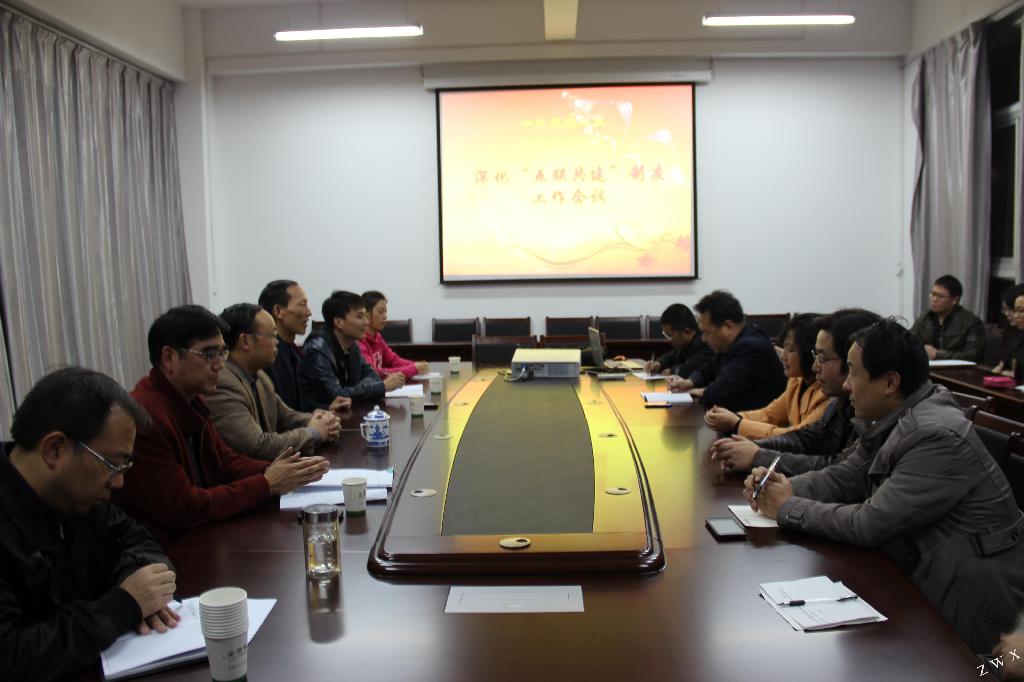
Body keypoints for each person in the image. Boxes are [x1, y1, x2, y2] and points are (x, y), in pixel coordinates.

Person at [744, 318, 1024, 652]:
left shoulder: (935, 434)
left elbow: (870, 522)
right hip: (923, 578)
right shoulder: (896, 417)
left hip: (973, 617)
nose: (846, 385)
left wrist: (787, 506)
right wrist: (782, 485)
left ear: (890, 382)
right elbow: (845, 475)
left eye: (853, 373)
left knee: (983, 671)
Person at [0, 368, 179, 680]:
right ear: (55, 449)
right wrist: (122, 606)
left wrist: (139, 578)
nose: (119, 483)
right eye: (112, 465)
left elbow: (135, 538)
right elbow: (11, 657)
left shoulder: (79, 500)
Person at [113, 305, 329, 542]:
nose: (219, 364)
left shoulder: (192, 400)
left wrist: (285, 471)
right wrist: (266, 483)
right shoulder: (145, 415)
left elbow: (226, 462)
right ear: (169, 357)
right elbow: (183, 507)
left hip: (200, 537)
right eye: (208, 354)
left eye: (222, 353)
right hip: (165, 550)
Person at [710, 308, 880, 475]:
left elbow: (840, 470)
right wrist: (752, 447)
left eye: (822, 358)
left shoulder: (866, 413)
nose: (815, 367)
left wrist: (756, 454)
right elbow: (805, 437)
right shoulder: (837, 401)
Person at [207, 303, 346, 461]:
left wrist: (323, 421)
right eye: (272, 335)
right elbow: (257, 446)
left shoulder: (259, 375)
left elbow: (285, 417)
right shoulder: (222, 383)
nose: (277, 341)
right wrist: (313, 433)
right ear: (245, 341)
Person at [704, 313, 829, 439]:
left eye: (791, 350)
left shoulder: (828, 392)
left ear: (810, 353)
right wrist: (734, 417)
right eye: (784, 348)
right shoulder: (797, 380)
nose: (783, 356)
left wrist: (737, 423)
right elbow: (769, 415)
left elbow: (798, 438)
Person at [666, 290, 786, 411]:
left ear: (727, 327)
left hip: (756, 419)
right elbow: (709, 368)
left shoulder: (749, 347)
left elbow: (719, 394)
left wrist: (693, 392)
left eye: (707, 332)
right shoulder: (734, 341)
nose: (703, 339)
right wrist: (689, 382)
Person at [300, 291, 405, 408]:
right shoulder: (317, 350)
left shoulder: (352, 344)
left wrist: (355, 391)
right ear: (339, 322)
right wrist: (382, 387)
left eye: (365, 316)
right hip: (317, 416)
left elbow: (372, 376)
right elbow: (336, 396)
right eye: (360, 316)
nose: (366, 322)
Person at [259, 279, 311, 410]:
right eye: (302, 304)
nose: (308, 312)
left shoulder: (294, 352)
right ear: (278, 311)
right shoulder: (267, 357)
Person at [910, 274, 986, 362]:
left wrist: (938, 354)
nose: (934, 299)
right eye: (932, 294)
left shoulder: (971, 323)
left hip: (957, 369)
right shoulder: (925, 317)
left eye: (940, 296)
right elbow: (909, 341)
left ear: (954, 300)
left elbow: (974, 355)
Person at [359, 290, 429, 380]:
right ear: (366, 314)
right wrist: (414, 369)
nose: (385, 316)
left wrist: (416, 365)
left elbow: (394, 361)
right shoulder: (359, 342)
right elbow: (377, 374)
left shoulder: (377, 337)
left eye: (385, 312)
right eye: (381, 312)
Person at [642, 303, 714, 378]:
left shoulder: (706, 343)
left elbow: (692, 367)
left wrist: (671, 372)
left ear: (687, 332)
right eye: (666, 336)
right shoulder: (684, 344)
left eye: (671, 336)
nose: (669, 340)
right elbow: (672, 355)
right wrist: (659, 363)